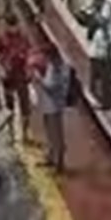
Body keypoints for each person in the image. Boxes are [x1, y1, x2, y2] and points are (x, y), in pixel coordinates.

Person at [0, 14, 32, 143]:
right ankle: (11, 134)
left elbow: (29, 52)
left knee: (25, 105)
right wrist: (0, 67)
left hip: (21, 74)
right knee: (10, 107)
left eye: (14, 26)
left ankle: (25, 134)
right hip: (8, 75)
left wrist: (29, 69)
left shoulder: (23, 37)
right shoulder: (1, 37)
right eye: (10, 26)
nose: (13, 29)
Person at [33, 44, 70, 172]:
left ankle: (59, 163)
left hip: (54, 106)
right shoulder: (51, 65)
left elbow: (51, 86)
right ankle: (50, 157)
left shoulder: (57, 68)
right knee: (50, 133)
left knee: (56, 135)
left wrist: (39, 79)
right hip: (48, 105)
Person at [79, 0, 111, 110]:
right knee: (98, 73)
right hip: (99, 44)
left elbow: (102, 21)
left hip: (102, 45)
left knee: (100, 73)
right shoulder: (102, 3)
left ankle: (101, 100)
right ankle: (98, 97)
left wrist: (91, 15)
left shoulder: (107, 3)